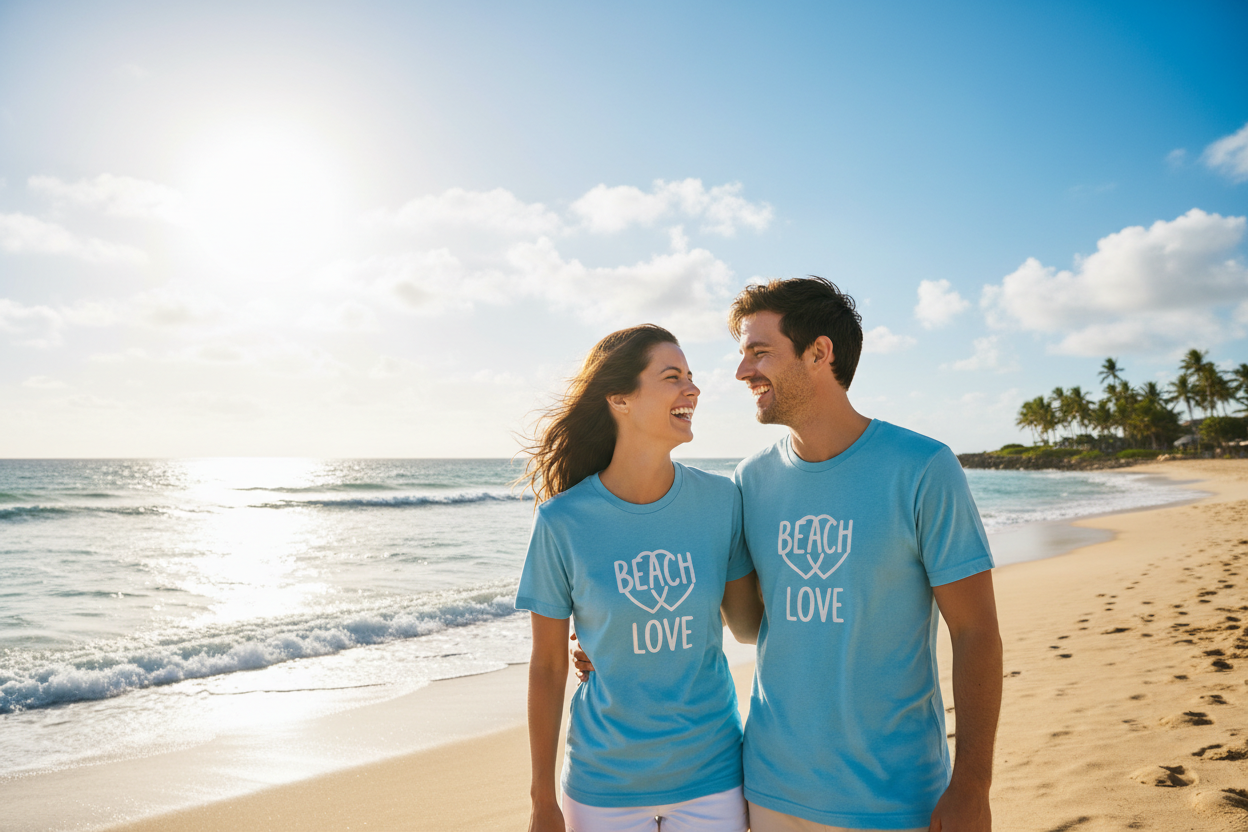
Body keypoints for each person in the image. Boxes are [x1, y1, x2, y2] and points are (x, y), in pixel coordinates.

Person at [577, 279, 1003, 832]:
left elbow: (977, 632)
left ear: (819, 353)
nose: (741, 372)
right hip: (770, 789)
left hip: (894, 795)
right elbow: (748, 622)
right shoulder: (752, 480)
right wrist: (610, 634)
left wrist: (972, 782)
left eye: (760, 352)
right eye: (742, 354)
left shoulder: (923, 468)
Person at [516, 323, 763, 832]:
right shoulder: (563, 520)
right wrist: (542, 799)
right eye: (672, 377)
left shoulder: (721, 502)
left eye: (691, 377)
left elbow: (747, 625)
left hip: (712, 776)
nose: (692, 389)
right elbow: (546, 667)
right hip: (602, 786)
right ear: (619, 399)